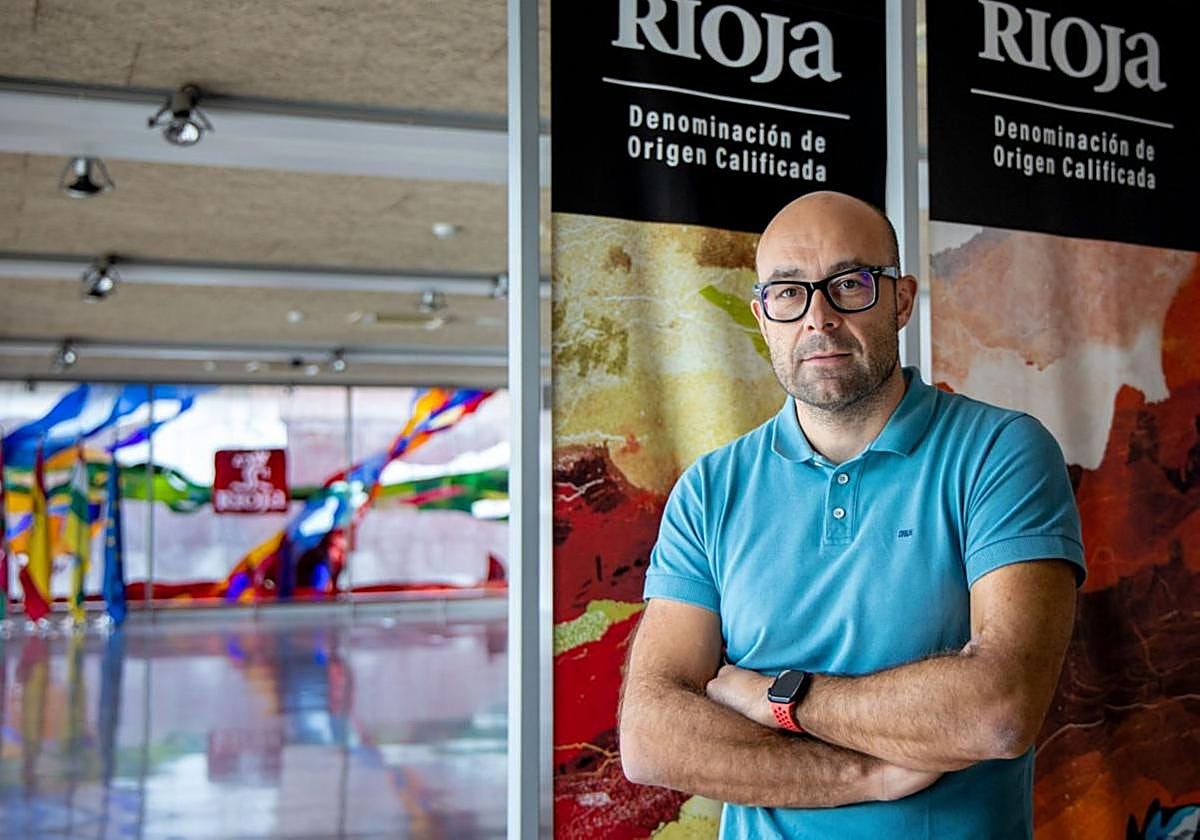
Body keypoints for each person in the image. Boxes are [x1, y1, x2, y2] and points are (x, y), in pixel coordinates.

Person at [618, 191, 1084, 838]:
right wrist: (863, 776)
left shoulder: (999, 453)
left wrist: (775, 698)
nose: (819, 317)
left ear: (901, 299)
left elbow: (998, 709)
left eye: (850, 283)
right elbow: (652, 737)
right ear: (762, 315)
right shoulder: (711, 489)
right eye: (789, 292)